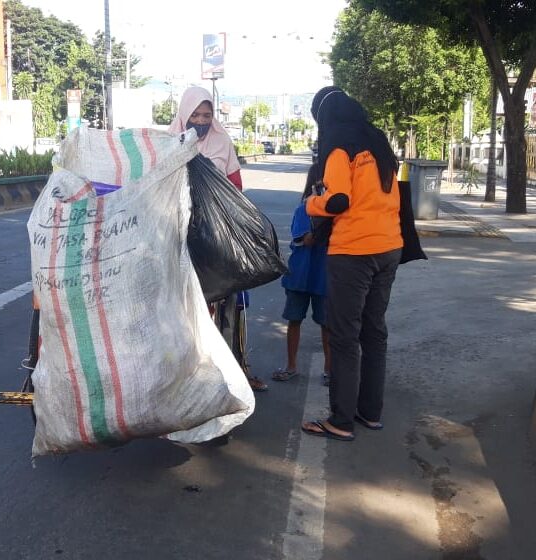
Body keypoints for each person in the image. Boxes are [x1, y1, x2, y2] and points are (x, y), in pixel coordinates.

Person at [301, 86, 403, 441]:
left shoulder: (338, 147)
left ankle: (341, 421)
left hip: (353, 253)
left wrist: (312, 202)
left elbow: (337, 200)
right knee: (374, 332)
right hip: (389, 247)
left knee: (344, 336)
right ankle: (369, 412)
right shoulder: (379, 144)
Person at [169, 86, 268, 392]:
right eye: (195, 115)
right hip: (178, 237)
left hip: (215, 238)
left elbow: (236, 187)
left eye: (206, 115)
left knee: (228, 307)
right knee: (181, 308)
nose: (200, 120)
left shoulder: (222, 142)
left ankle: (234, 369)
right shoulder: (168, 143)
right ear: (184, 115)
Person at [271, 163, 330, 384]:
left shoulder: (337, 212)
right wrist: (322, 216)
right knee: (294, 320)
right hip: (300, 275)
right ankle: (291, 365)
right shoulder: (304, 209)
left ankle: (329, 369)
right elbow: (306, 239)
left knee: (327, 324)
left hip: (324, 277)